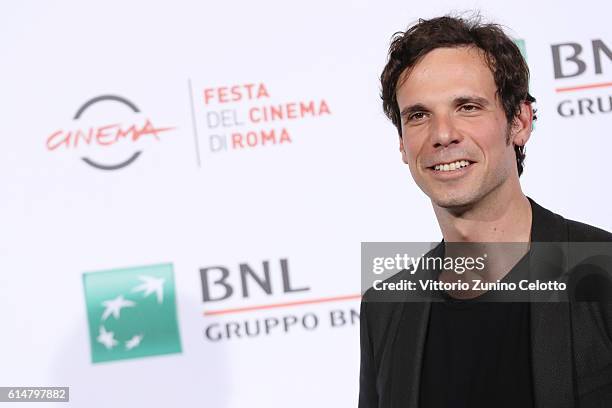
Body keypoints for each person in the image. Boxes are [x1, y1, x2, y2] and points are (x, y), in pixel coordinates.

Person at [359, 15, 612, 408]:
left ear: (519, 122)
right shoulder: (387, 308)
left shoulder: (602, 271)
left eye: (468, 107)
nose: (443, 134)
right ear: (402, 145)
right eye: (419, 115)